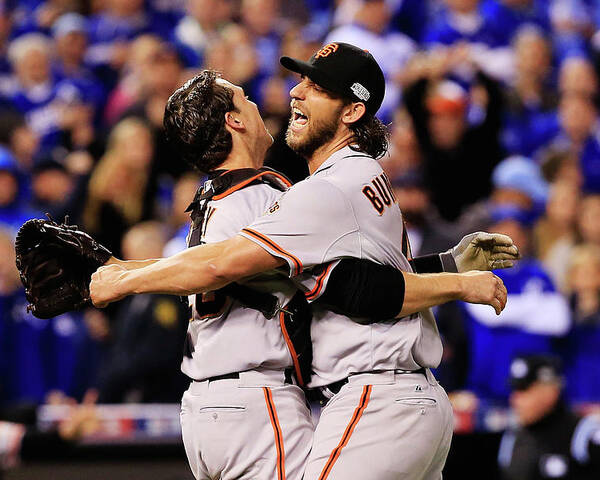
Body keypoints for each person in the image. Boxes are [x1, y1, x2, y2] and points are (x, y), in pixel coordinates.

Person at [90, 44, 512, 480]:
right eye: (301, 81)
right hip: (394, 396)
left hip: (375, 399)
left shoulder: (323, 189)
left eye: (316, 86)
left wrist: (122, 277)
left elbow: (231, 265)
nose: (295, 93)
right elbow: (362, 283)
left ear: (351, 111)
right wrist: (447, 268)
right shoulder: (353, 178)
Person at [498, 355, 600, 480]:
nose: (515, 400)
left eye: (525, 391)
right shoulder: (512, 435)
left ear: (551, 391)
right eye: (514, 391)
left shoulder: (583, 432)